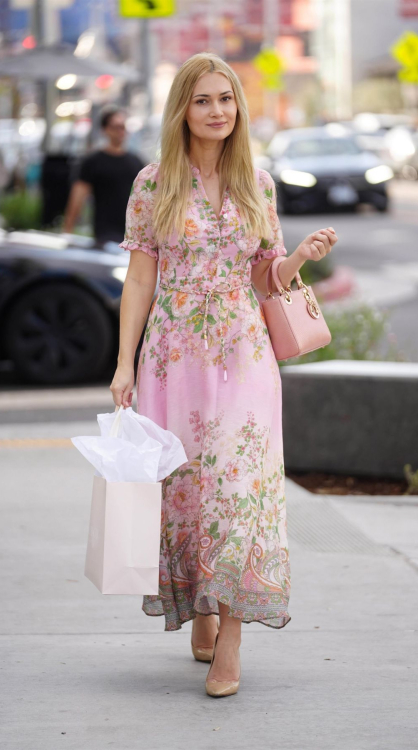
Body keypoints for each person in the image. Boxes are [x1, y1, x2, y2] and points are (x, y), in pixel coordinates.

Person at [110, 53, 338, 698]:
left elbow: (267, 278)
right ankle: (200, 608)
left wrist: (297, 257)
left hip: (243, 356)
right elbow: (140, 279)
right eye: (204, 100)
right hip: (171, 359)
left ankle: (230, 641)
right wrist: (124, 363)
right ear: (182, 107)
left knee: (240, 494)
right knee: (185, 492)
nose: (217, 111)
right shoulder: (153, 184)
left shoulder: (256, 183)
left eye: (227, 100)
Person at [63, 106, 144, 246]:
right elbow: (77, 197)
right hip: (105, 235)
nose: (121, 131)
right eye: (116, 127)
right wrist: (67, 232)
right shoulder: (93, 161)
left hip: (134, 236)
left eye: (123, 127)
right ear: (105, 129)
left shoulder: (136, 162)